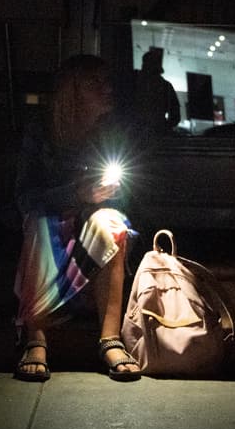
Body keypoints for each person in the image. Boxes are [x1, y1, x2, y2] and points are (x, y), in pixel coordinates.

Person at [11, 54, 142, 382]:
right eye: (95, 84)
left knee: (112, 224)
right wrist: (76, 194)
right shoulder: (42, 131)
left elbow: (130, 194)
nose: (107, 89)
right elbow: (26, 196)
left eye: (107, 81)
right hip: (49, 221)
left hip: (91, 223)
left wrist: (108, 193)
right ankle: (36, 337)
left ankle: (110, 338)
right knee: (42, 223)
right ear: (73, 92)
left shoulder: (112, 131)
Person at [132, 46, 181, 135]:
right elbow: (175, 116)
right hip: (154, 131)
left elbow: (175, 115)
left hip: (137, 130)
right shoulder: (166, 86)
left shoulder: (134, 80)